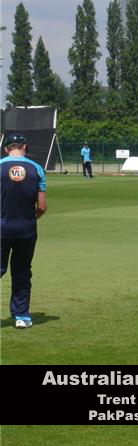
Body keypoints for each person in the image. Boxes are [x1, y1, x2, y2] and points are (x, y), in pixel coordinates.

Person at [0, 133, 47, 329]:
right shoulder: (36, 169)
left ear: (5, 148)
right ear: (25, 147)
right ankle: (22, 316)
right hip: (26, 229)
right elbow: (42, 206)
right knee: (21, 272)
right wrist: (29, 219)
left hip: (1, 227)